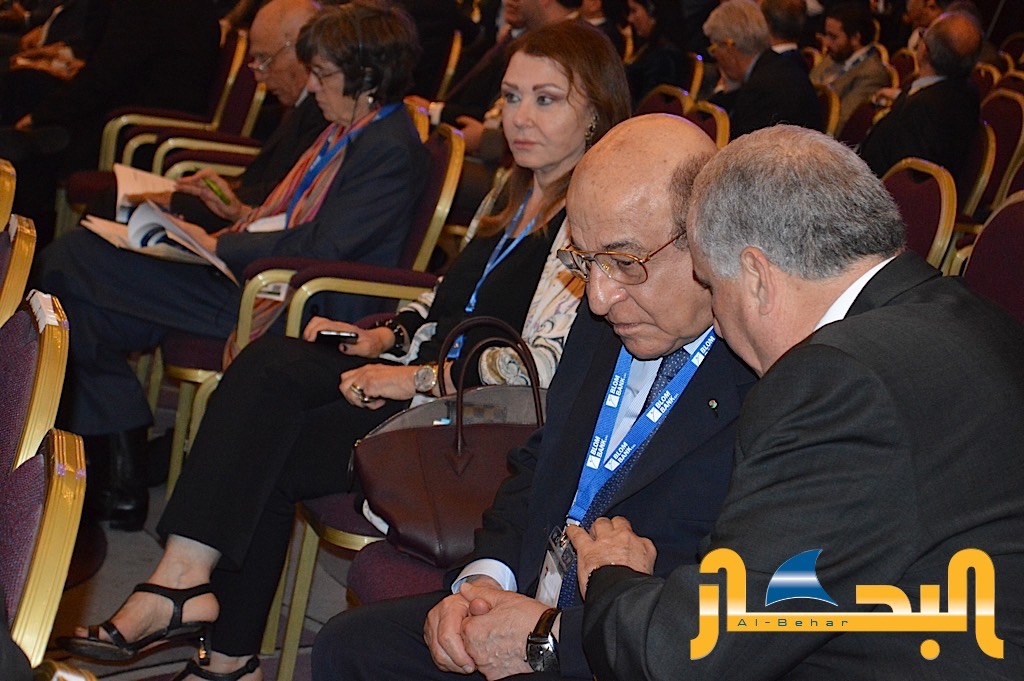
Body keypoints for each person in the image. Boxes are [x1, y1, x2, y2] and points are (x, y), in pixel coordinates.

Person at [60, 20, 631, 681]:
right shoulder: (515, 191)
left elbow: (538, 371)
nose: (519, 117)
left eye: (546, 99)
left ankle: (218, 641)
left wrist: (412, 378)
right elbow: (447, 301)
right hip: (432, 382)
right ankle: (185, 584)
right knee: (269, 366)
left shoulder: (587, 218)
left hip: (483, 421)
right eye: (510, 96)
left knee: (276, 437)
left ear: (596, 113)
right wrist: (383, 336)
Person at [310, 114, 757, 681]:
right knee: (351, 645)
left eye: (625, 263)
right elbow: (541, 463)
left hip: (616, 645)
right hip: (525, 601)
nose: (598, 298)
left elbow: (722, 614)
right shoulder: (605, 324)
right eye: (584, 262)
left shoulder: (763, 377)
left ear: (708, 240)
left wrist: (552, 635)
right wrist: (481, 583)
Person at [571, 124, 1024, 678]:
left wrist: (611, 575)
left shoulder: (835, 382)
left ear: (758, 277)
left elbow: (684, 654)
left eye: (712, 286)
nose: (717, 319)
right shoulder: (971, 316)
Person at [36, 0, 430, 532]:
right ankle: (119, 478)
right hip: (267, 274)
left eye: (322, 74)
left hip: (295, 300)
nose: (312, 86)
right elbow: (300, 218)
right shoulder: (353, 128)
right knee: (87, 307)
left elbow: (326, 245)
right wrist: (236, 219)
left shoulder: (390, 147)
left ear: (366, 78)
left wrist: (221, 246)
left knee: (72, 260)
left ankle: (111, 465)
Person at [96, 0, 329, 232]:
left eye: (265, 59)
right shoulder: (303, 106)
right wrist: (216, 188)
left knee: (113, 202)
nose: (259, 76)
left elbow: (283, 195)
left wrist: (184, 199)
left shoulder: (322, 111)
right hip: (242, 211)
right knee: (114, 200)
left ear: (300, 51)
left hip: (250, 223)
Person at [858, 10, 980, 178]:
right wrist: (902, 97)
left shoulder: (922, 110)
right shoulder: (966, 93)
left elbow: (901, 177)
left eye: (923, 34)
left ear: (924, 51)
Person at [705, 0, 821, 139]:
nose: (715, 56)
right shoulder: (774, 68)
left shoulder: (761, 88)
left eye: (714, 48)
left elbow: (727, 140)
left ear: (729, 47)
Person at [809, 1, 890, 131]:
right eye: (826, 35)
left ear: (855, 38)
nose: (827, 43)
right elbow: (809, 85)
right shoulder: (836, 55)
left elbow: (843, 123)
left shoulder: (872, 74)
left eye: (833, 37)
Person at [624, 0, 688, 107]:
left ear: (653, 13)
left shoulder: (665, 57)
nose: (630, 18)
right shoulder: (650, 47)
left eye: (634, 11)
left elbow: (651, 103)